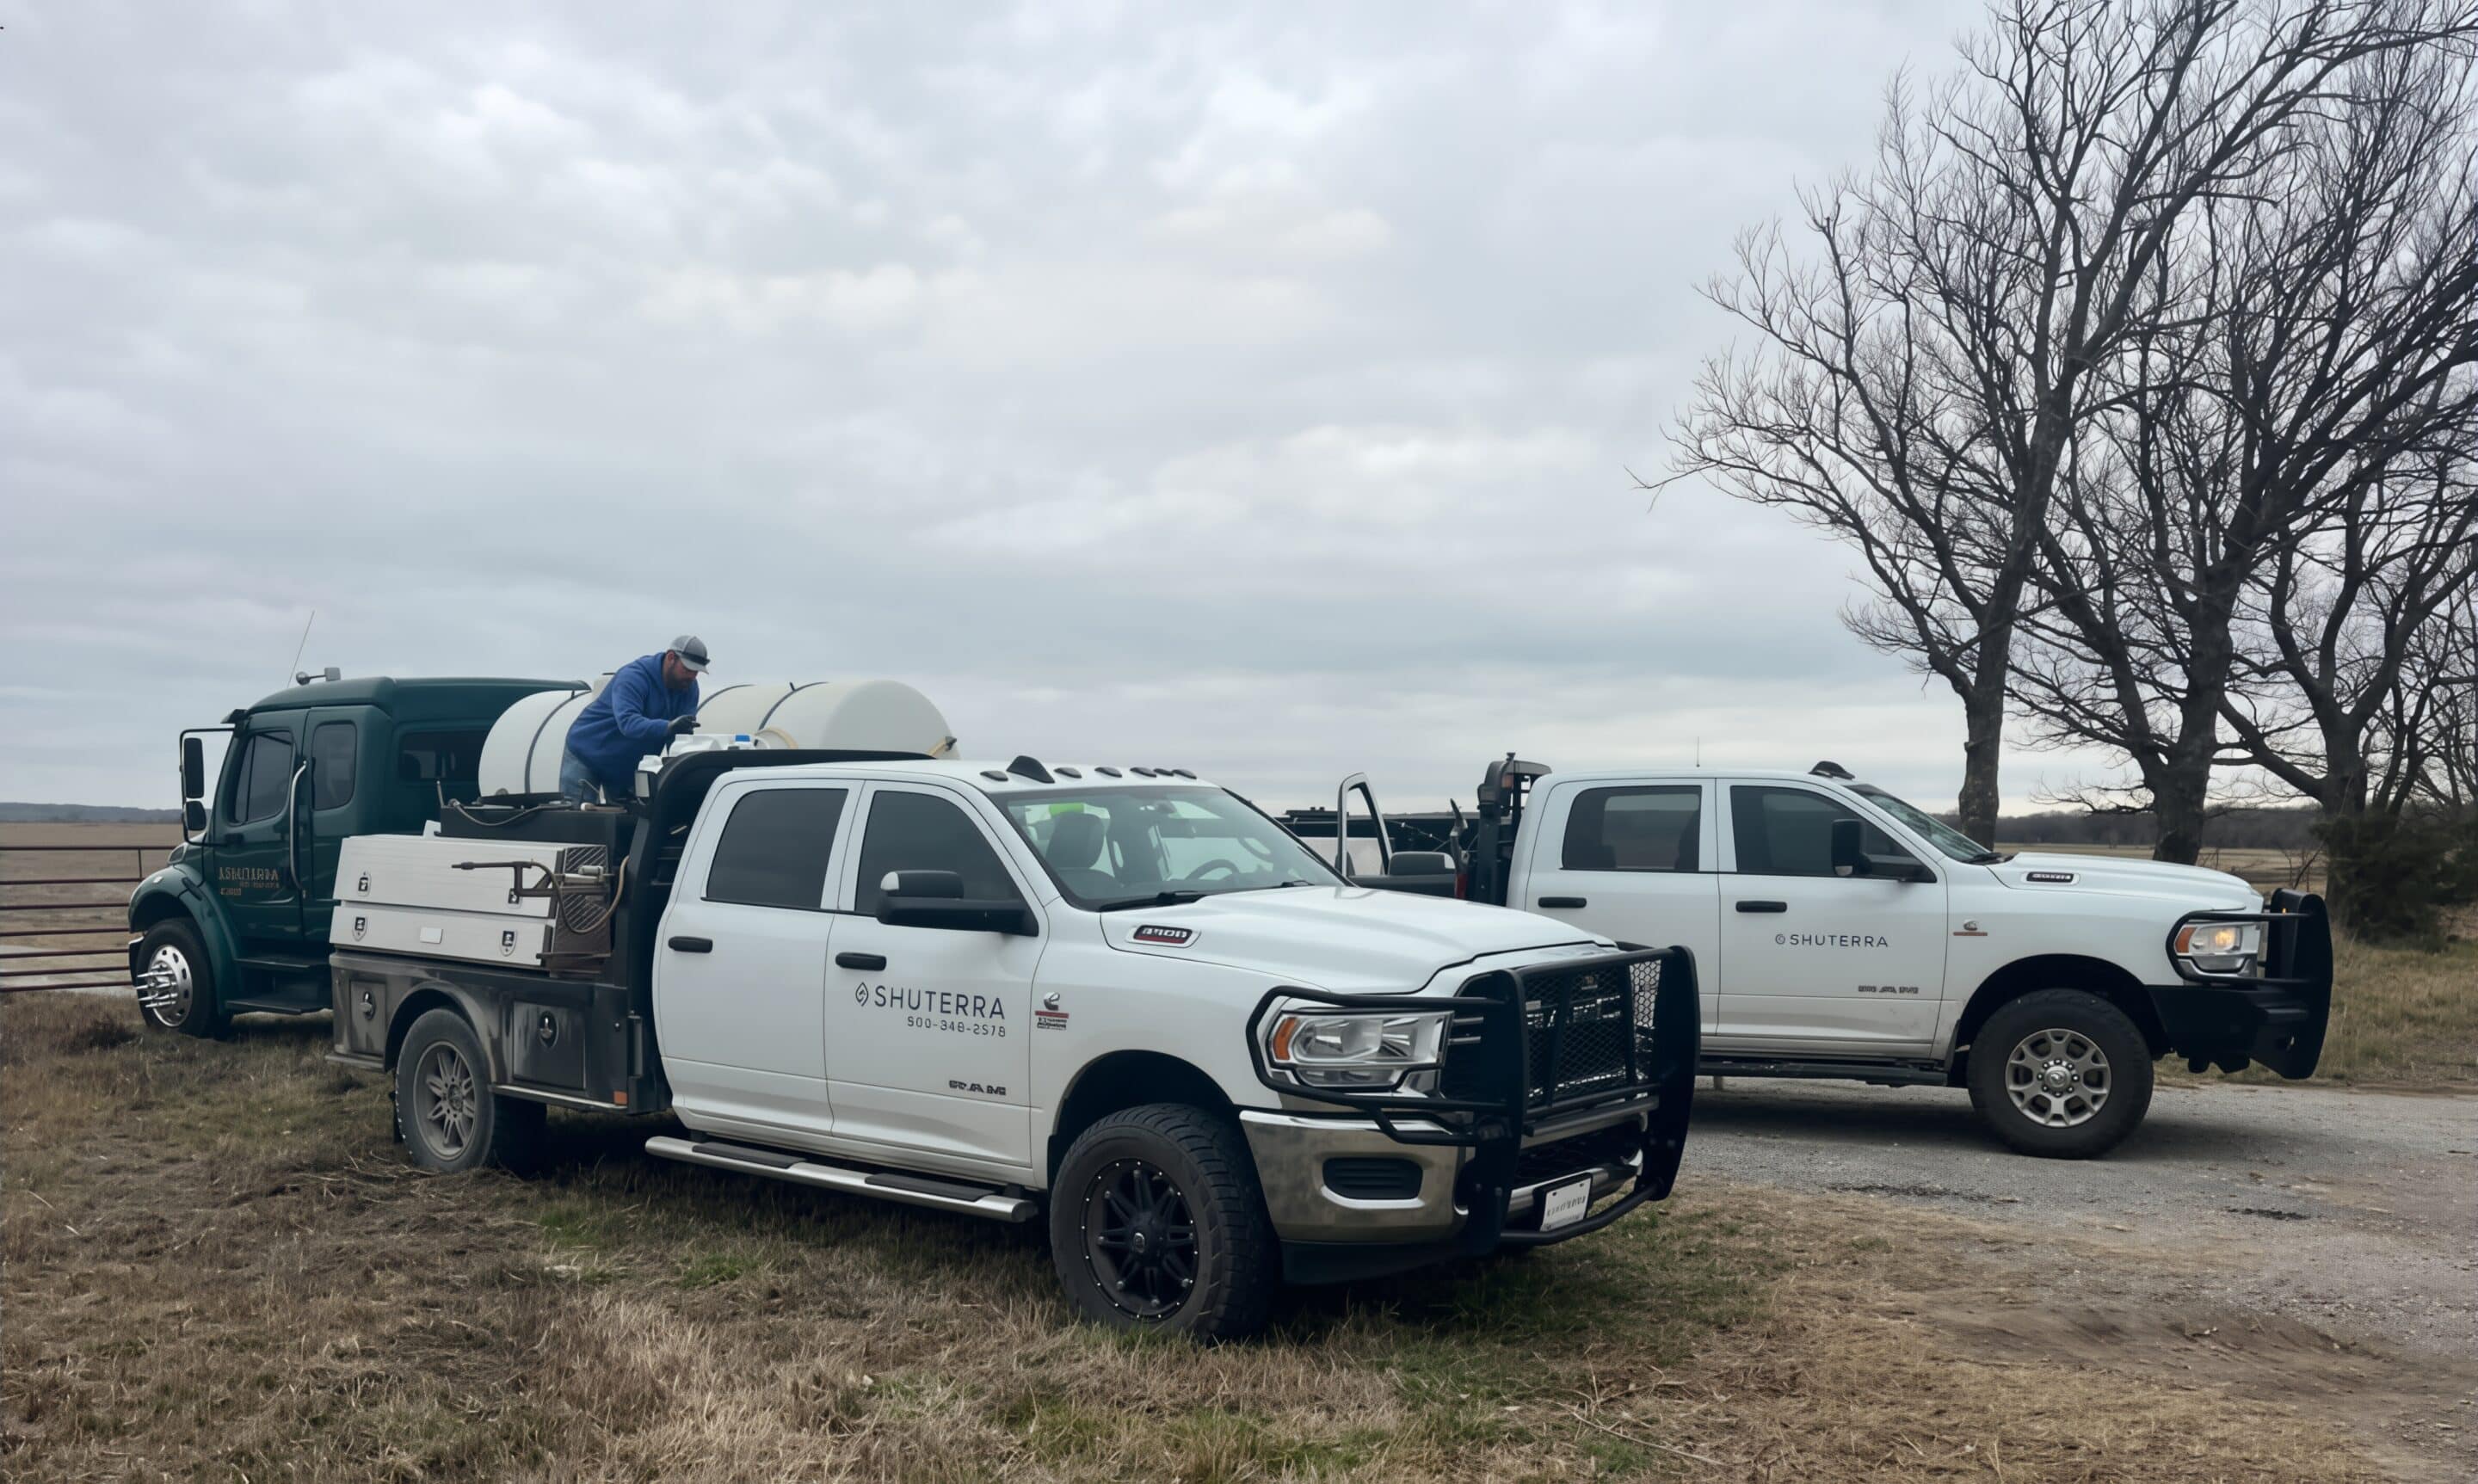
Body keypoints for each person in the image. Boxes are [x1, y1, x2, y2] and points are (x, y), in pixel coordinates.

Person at [559, 636, 709, 803]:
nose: (692, 676)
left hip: (624, 766)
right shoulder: (633, 677)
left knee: (626, 822)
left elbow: (679, 738)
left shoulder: (688, 688)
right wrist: (668, 727)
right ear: (671, 658)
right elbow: (628, 723)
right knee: (578, 817)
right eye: (687, 669)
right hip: (587, 753)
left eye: (696, 672)